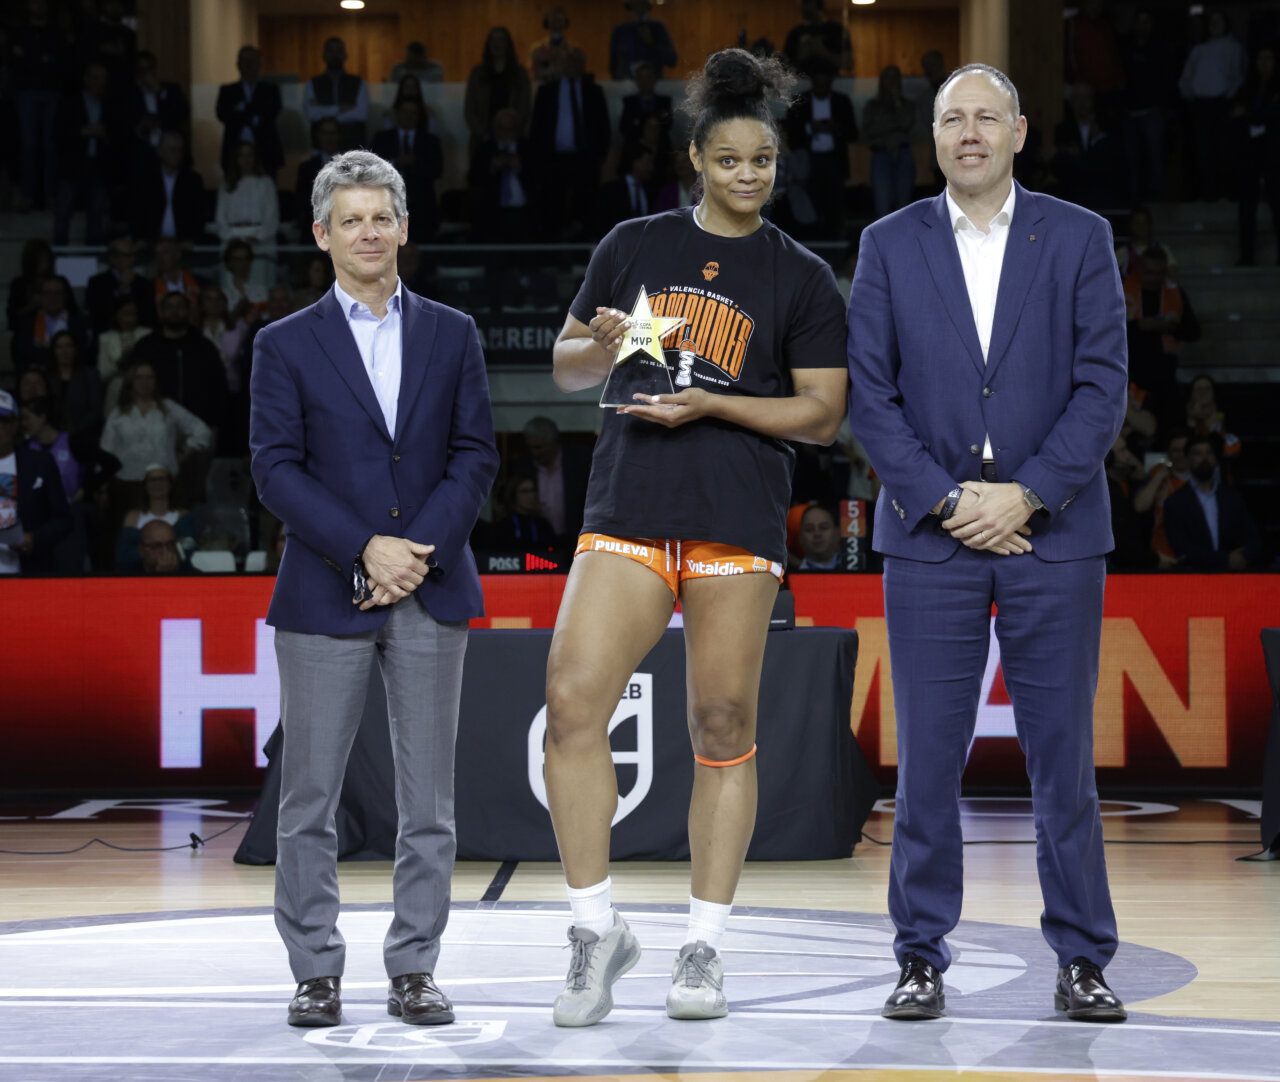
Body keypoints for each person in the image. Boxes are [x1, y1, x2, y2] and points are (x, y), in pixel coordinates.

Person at [542, 48, 847, 1026]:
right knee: (570, 701)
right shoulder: (633, 243)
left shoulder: (800, 275)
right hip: (629, 507)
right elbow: (565, 367)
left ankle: (703, 945)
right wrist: (599, 347)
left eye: (762, 161)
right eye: (729, 160)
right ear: (695, 160)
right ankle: (593, 930)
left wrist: (715, 403)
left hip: (733, 518)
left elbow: (821, 414)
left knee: (721, 723)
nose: (747, 175)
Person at [846, 63, 1129, 1023]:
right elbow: (871, 395)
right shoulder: (888, 243)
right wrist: (947, 499)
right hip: (933, 541)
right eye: (952, 119)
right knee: (927, 763)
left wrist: (1030, 496)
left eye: (986, 117)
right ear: (933, 137)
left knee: (1063, 762)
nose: (969, 132)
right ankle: (919, 957)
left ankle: (1083, 958)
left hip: (1055, 537)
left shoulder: (1080, 235)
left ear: (1018, 132)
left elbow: (1103, 387)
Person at [248, 149, 498, 1029]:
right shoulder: (283, 343)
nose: (367, 232)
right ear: (321, 235)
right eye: (349, 220)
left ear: (403, 228)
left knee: (428, 802)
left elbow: (475, 455)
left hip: (430, 585)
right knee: (308, 800)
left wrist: (412, 554)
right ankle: (315, 970)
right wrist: (365, 548)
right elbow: (275, 470)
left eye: (380, 218)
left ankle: (414, 968)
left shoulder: (453, 332)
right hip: (324, 594)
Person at [529, 47, 610, 240]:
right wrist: (540, 159)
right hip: (553, 159)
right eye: (568, 60)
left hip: (585, 158)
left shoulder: (593, 91)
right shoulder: (547, 91)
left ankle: (585, 249)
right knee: (552, 207)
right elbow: (537, 128)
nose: (572, 64)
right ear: (559, 64)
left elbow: (603, 127)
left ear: (583, 65)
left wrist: (599, 156)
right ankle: (553, 247)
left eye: (576, 60)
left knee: (586, 208)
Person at [100, 359, 212, 487]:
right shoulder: (118, 413)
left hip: (163, 479)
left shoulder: (169, 408)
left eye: (149, 377)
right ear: (131, 382)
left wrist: (183, 454)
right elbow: (106, 449)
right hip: (127, 480)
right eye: (139, 378)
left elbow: (202, 431)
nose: (145, 382)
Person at [1163, 433, 1264, 569]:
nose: (1204, 458)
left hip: (1234, 575)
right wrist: (1225, 560)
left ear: (1215, 459)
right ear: (1187, 459)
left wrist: (1243, 557)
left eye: (1209, 453)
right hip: (1195, 575)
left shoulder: (1232, 498)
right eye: (1198, 453)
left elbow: (1253, 537)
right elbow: (1181, 547)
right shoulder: (1175, 502)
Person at [0, 389, 72, 576]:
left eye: (2, 420)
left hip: (27, 572)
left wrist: (34, 539)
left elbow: (63, 519)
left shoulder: (39, 463)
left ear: (15, 425)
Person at [784, 55, 858, 235]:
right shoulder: (800, 102)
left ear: (831, 82)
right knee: (811, 201)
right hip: (808, 160)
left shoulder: (841, 102)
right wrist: (811, 128)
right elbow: (791, 133)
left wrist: (836, 128)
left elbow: (853, 133)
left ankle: (834, 236)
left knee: (835, 201)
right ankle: (813, 235)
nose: (822, 88)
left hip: (834, 160)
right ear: (812, 82)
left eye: (825, 84)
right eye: (818, 84)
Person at [1179, 8, 1246, 200]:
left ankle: (1224, 191)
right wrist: (1190, 94)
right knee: (1202, 150)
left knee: (1222, 148)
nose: (1215, 24)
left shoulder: (1233, 47)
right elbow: (1186, 77)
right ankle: (1207, 193)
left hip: (1221, 104)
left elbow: (1238, 75)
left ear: (1226, 24)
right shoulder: (1199, 49)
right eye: (1212, 21)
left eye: (1219, 20)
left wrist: (1228, 97)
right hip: (1200, 105)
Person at [53, 61, 118, 246]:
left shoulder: (110, 105)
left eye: (103, 79)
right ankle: (59, 253)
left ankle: (93, 253)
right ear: (86, 79)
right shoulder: (70, 102)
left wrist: (105, 134)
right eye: (95, 78)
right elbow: (58, 132)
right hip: (72, 165)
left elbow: (119, 134)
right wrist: (84, 131)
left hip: (99, 166)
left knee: (96, 214)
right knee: (63, 213)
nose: (99, 83)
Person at [370, 98, 443, 241]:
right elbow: (372, 168)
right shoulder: (382, 138)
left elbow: (437, 169)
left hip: (422, 207)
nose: (409, 116)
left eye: (413, 113)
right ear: (397, 114)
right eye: (405, 111)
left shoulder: (430, 140)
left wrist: (415, 163)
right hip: (388, 205)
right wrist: (396, 162)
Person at [1233, 45, 1280, 265]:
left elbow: (1272, 116)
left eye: (1269, 58)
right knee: (1246, 206)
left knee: (1277, 203)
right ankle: (1246, 256)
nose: (1264, 63)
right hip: (1250, 154)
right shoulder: (1247, 88)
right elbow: (1236, 115)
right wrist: (1260, 115)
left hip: (1274, 153)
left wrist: (1252, 114)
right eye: (1261, 58)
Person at [216, 45, 283, 180]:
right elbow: (222, 114)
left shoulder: (270, 90)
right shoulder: (228, 91)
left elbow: (271, 113)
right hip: (234, 152)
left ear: (259, 64)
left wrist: (241, 110)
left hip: (266, 152)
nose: (249, 64)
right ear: (238, 64)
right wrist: (254, 114)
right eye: (245, 60)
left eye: (253, 60)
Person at [129, 129, 206, 244]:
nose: (176, 154)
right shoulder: (145, 180)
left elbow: (199, 214)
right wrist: (141, 238)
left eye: (180, 150)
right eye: (172, 150)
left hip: (183, 244)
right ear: (159, 151)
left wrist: (191, 239)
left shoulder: (193, 181)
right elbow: (136, 211)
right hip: (150, 243)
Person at [115, 463, 197, 570]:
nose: (157, 484)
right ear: (145, 485)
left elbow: (189, 550)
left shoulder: (184, 516)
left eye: (162, 479)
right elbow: (123, 554)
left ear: (170, 484)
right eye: (152, 480)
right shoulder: (132, 517)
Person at [862, 64, 915, 220]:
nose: (892, 81)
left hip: (903, 154)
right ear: (881, 81)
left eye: (895, 77)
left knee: (904, 206)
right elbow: (869, 130)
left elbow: (906, 123)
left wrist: (897, 103)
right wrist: (894, 123)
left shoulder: (907, 104)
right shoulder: (872, 106)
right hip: (881, 155)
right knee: (882, 206)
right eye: (888, 77)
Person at [464, 27, 532, 148]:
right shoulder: (477, 74)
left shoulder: (520, 73)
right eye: (493, 40)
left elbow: (524, 107)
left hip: (513, 136)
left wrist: (512, 130)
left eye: (501, 40)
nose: (497, 44)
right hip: (483, 137)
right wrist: (482, 133)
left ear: (508, 45)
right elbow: (469, 109)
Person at [215, 140, 280, 257]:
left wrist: (259, 236)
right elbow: (220, 217)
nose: (246, 159)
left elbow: (272, 216)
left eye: (249, 155)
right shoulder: (226, 184)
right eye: (242, 155)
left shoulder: (266, 183)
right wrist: (230, 236)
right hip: (232, 239)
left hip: (261, 240)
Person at [303, 37, 369, 152]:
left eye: (339, 51)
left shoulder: (359, 82)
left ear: (345, 55)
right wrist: (340, 109)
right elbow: (311, 113)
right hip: (321, 149)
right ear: (324, 55)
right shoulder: (312, 83)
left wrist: (323, 111)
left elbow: (361, 114)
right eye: (331, 51)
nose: (335, 55)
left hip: (353, 146)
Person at [86, 236, 154, 333]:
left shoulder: (144, 283)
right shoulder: (97, 282)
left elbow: (147, 313)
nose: (132, 259)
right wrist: (121, 289)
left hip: (138, 334)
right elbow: (98, 312)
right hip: (107, 334)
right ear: (113, 258)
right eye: (128, 255)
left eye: (133, 255)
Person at [295, 116, 343, 237]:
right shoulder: (306, 168)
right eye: (324, 133)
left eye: (333, 133)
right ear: (318, 136)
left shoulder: (350, 166)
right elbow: (301, 201)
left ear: (339, 136)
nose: (329, 138)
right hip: (313, 230)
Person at [609, 0, 677, 82]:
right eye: (635, 5)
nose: (639, 9)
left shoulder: (657, 29)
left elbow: (672, 60)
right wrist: (619, 80)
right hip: (626, 83)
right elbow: (613, 64)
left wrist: (652, 43)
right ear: (629, 6)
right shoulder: (620, 31)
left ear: (647, 6)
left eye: (642, 4)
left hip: (653, 84)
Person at [783, 0, 853, 75]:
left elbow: (849, 64)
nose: (803, 7)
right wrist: (800, 56)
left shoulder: (836, 30)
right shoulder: (795, 33)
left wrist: (823, 51)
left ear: (819, 4)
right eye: (802, 4)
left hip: (831, 81)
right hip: (802, 81)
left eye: (807, 3)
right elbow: (784, 67)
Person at [530, 8, 573, 85]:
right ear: (548, 22)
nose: (556, 25)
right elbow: (533, 72)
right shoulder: (537, 48)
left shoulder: (571, 49)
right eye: (553, 21)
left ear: (564, 23)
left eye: (559, 21)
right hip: (544, 86)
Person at [794, 503, 841, 570]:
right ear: (800, 537)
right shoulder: (785, 574)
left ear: (838, 532)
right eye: (809, 529)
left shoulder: (855, 568)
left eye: (824, 527)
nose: (817, 534)